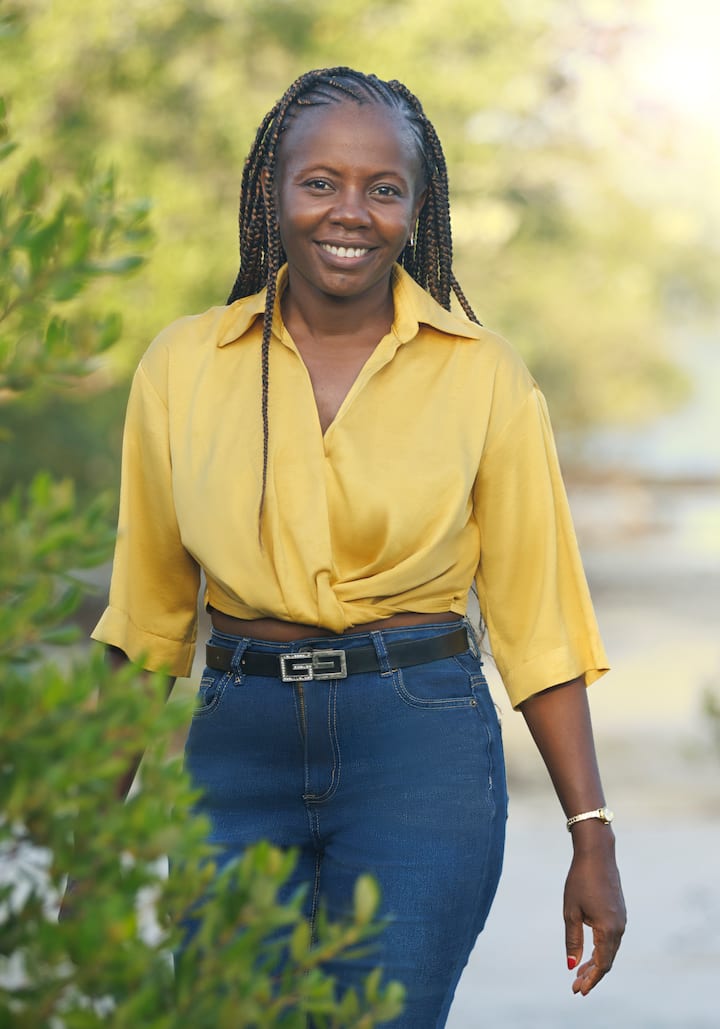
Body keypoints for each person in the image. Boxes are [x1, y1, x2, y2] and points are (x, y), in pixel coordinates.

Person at [92, 67, 626, 1027]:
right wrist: (93, 838)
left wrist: (592, 834)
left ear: (417, 209)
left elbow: (537, 626)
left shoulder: (485, 377)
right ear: (271, 190)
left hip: (418, 743)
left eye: (384, 189)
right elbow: (149, 617)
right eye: (320, 181)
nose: (352, 212)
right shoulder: (183, 365)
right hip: (234, 740)